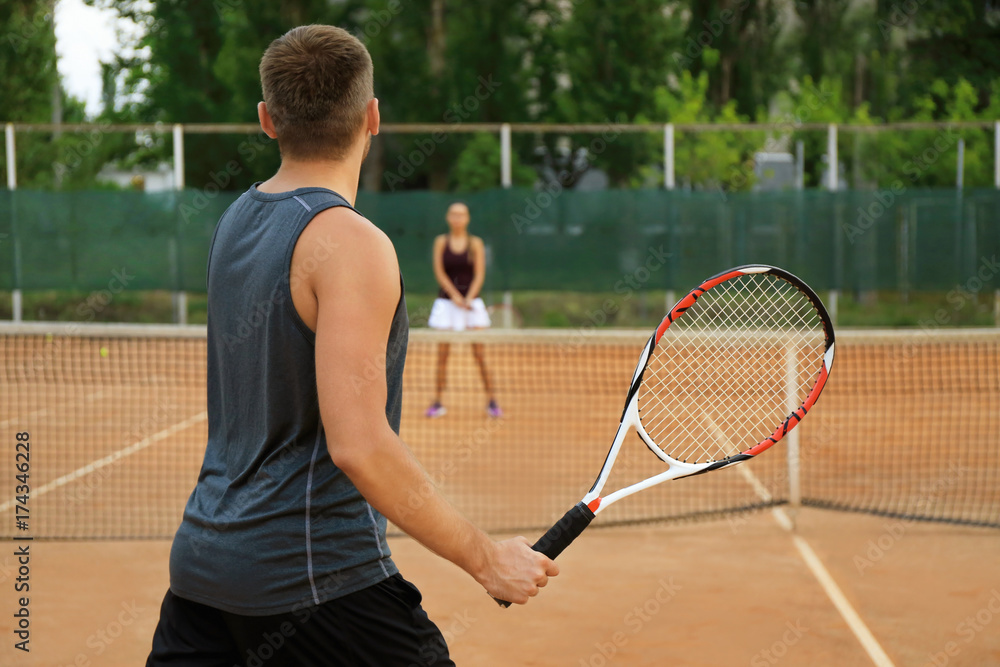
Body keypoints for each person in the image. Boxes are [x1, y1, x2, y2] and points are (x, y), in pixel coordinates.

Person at [146, 25, 557, 667]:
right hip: (313, 580)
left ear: (266, 120)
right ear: (372, 117)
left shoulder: (235, 222)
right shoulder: (353, 244)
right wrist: (487, 558)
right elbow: (359, 446)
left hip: (203, 571)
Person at [425, 202, 502, 418]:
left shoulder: (475, 243)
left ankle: (492, 402)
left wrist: (468, 298)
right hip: (446, 304)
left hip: (472, 304)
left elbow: (479, 274)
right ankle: (438, 402)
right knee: (442, 356)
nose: (457, 218)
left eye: (461, 214)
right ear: (448, 218)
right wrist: (456, 297)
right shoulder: (441, 242)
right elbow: (440, 273)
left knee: (479, 355)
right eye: (454, 214)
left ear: (467, 218)